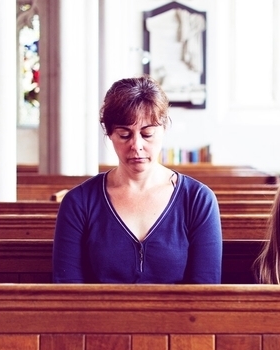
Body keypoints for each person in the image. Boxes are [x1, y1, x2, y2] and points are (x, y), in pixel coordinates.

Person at [52, 75, 223, 284]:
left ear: (164, 129)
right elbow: (68, 290)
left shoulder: (197, 199)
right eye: (124, 135)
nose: (136, 145)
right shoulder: (79, 202)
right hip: (97, 317)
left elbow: (205, 290)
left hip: (179, 317)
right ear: (109, 134)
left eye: (147, 134)